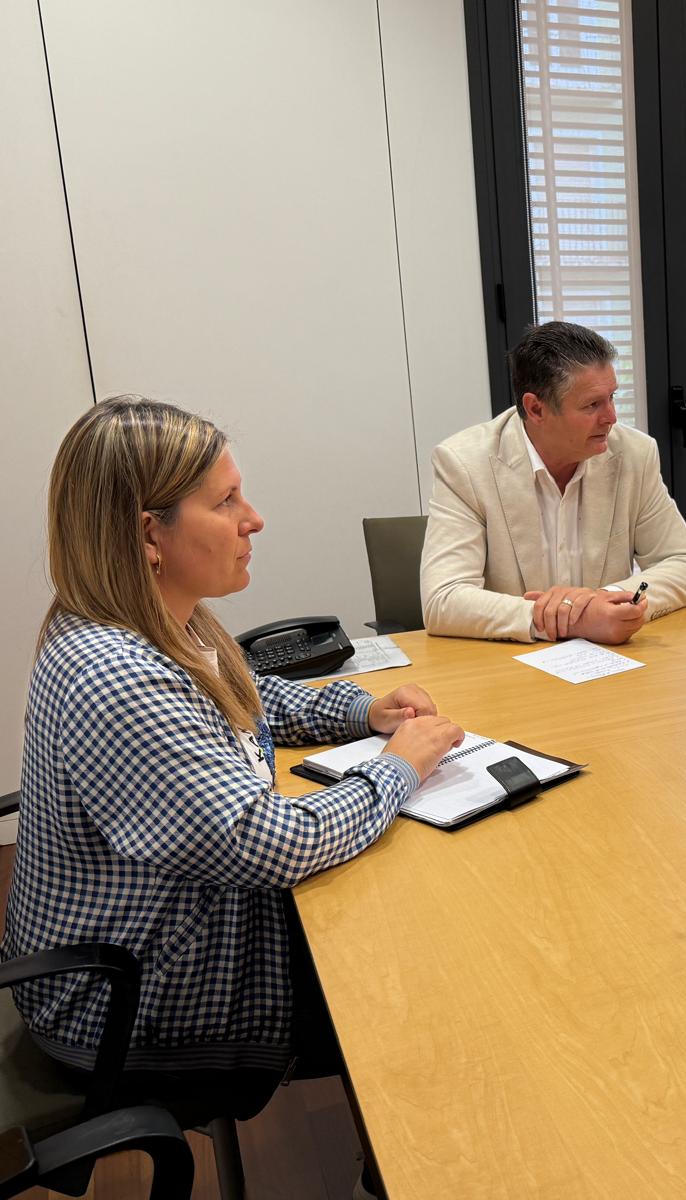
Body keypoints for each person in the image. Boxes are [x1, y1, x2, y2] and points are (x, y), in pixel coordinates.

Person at [1, 397, 465, 1124]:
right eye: (226, 501)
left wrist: (362, 712)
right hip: (124, 1004)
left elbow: (245, 695)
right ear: (147, 534)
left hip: (159, 936)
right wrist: (398, 766)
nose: (254, 519)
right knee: (415, 985)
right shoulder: (116, 674)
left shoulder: (150, 618)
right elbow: (269, 843)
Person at [421, 320, 686, 643]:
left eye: (612, 397)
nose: (611, 417)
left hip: (609, 665)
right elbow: (443, 599)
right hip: (505, 669)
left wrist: (608, 597)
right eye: (592, 405)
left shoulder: (634, 454)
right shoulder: (465, 464)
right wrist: (574, 620)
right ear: (536, 409)